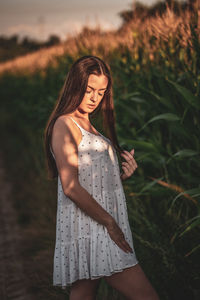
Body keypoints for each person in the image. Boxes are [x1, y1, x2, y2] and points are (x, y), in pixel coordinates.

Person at [44, 55, 160, 300]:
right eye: (89, 90)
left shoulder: (88, 125)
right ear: (75, 85)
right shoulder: (65, 125)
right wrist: (110, 223)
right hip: (96, 229)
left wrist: (120, 176)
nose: (95, 98)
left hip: (95, 226)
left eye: (101, 91)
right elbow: (71, 187)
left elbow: (90, 180)